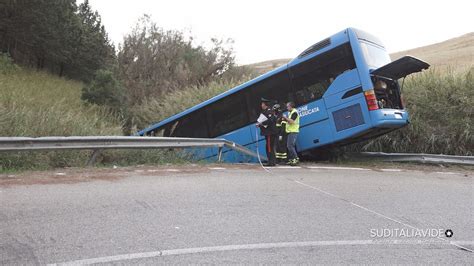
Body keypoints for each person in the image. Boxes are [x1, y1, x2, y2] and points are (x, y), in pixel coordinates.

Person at [256, 98, 278, 166]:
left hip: (270, 133)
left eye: (262, 104)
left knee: (269, 147)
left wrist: (261, 124)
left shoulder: (269, 111)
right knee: (269, 147)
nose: (261, 105)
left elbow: (270, 121)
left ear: (264, 104)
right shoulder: (265, 111)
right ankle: (272, 161)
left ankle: (271, 162)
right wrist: (259, 125)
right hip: (268, 132)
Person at [282, 101, 300, 166]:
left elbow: (291, 121)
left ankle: (296, 158)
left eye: (287, 106)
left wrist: (285, 117)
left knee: (290, 146)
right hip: (290, 131)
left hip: (293, 131)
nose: (287, 108)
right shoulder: (291, 112)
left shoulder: (294, 112)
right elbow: (289, 122)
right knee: (289, 146)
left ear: (290, 106)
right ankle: (292, 159)